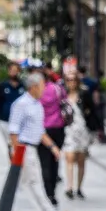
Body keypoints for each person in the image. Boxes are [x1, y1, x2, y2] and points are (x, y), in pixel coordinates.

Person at [5, 72, 68, 211]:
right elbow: (13, 130)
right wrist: (16, 153)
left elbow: (39, 131)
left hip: (31, 148)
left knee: (18, 183)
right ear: (33, 87)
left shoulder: (37, 104)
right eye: (41, 87)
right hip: (23, 148)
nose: (44, 90)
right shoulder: (21, 104)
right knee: (33, 181)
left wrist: (52, 146)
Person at [59, 61, 96, 199]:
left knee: (81, 159)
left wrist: (95, 129)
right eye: (68, 80)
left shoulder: (85, 93)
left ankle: (79, 187)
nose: (71, 82)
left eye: (74, 79)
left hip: (82, 129)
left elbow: (93, 110)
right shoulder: (62, 94)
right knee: (69, 157)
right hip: (68, 130)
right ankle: (69, 187)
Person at [38, 68, 67, 198]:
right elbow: (65, 101)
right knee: (55, 160)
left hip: (42, 130)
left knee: (45, 162)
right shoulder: (57, 88)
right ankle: (53, 192)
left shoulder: (38, 92)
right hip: (58, 128)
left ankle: (48, 192)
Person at [0, 60, 25, 132]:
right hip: (5, 120)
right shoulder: (3, 85)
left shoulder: (22, 86)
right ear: (8, 71)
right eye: (12, 70)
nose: (14, 72)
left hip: (19, 121)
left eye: (16, 70)